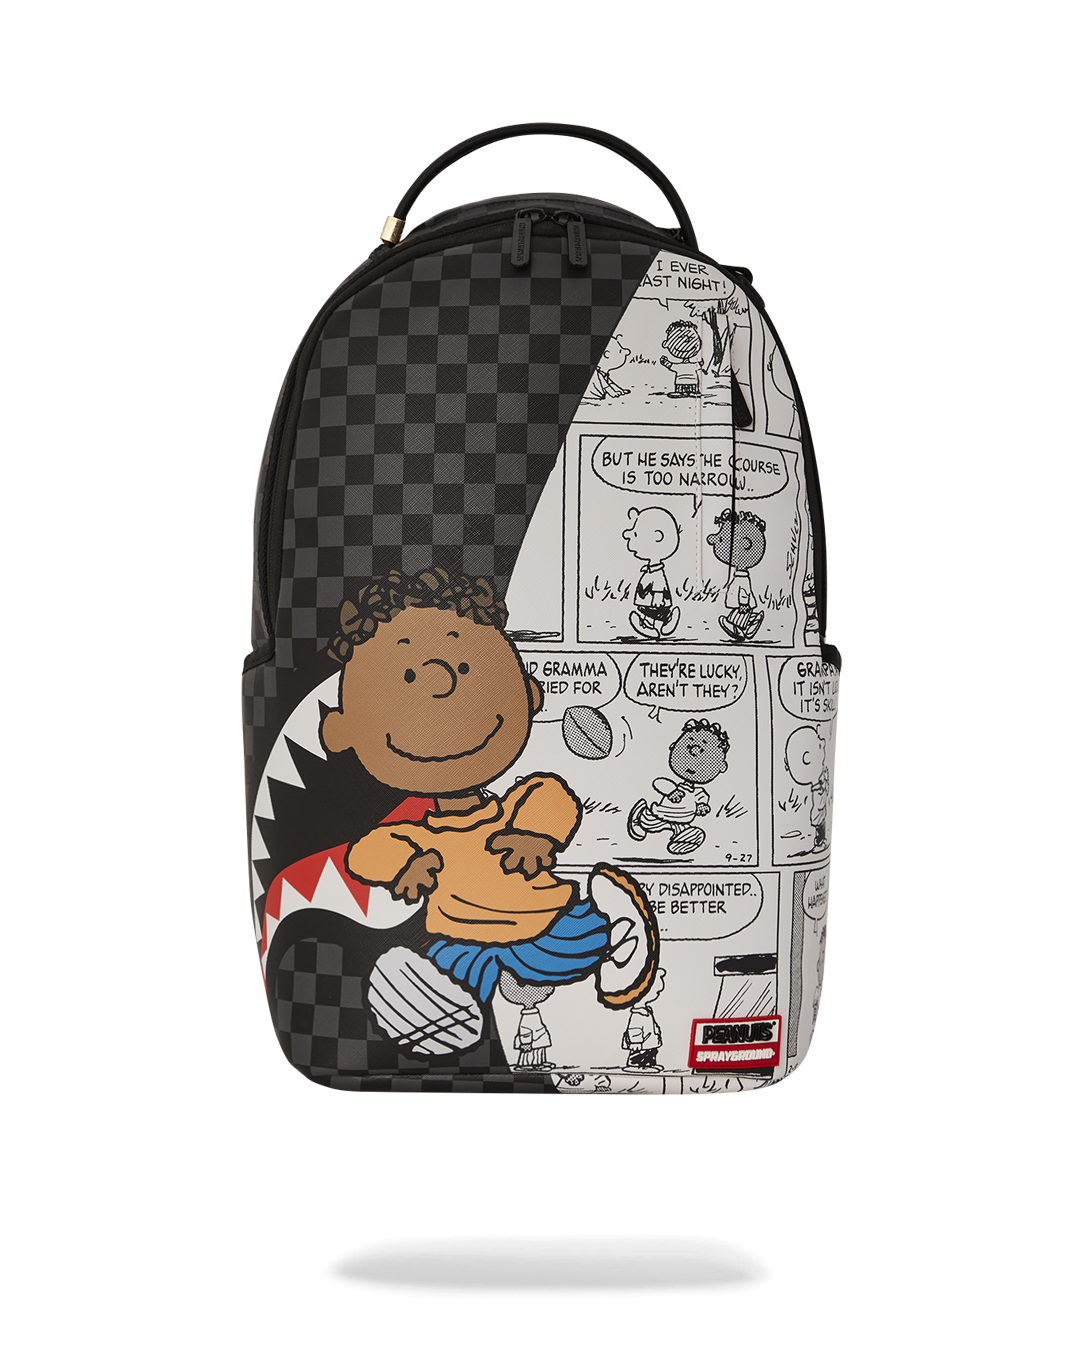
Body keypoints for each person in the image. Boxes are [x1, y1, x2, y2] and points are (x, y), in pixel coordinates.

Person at [315, 568, 659, 1041]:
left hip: (543, 921)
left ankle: (613, 932)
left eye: (463, 669)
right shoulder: (420, 835)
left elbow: (547, 794)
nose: (439, 685)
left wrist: (535, 835)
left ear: (528, 694)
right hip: (461, 936)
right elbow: (368, 851)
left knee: (573, 943)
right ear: (342, 731)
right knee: (448, 968)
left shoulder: (509, 810)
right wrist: (405, 866)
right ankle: (436, 1019)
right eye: (408, 677)